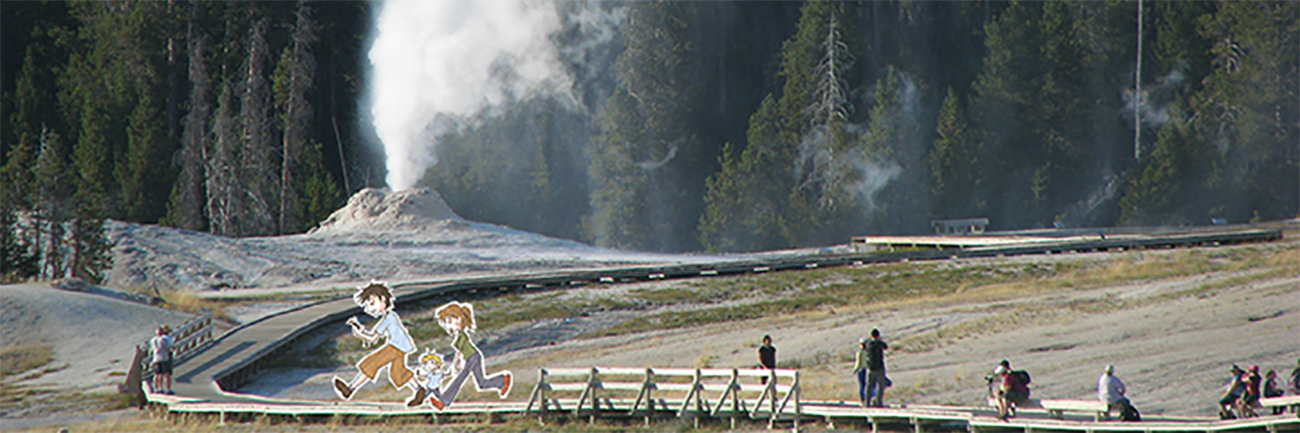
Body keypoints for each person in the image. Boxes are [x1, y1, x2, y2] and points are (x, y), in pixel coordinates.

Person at [333, 282, 421, 405]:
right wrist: (362, 333)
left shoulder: (389, 318)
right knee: (398, 372)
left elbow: (373, 338)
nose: (370, 308)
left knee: (372, 363)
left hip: (397, 346)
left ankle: (350, 389)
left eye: (372, 303)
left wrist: (359, 334)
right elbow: (375, 337)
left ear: (383, 300)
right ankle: (420, 390)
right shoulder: (389, 317)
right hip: (400, 345)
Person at [420, 301, 512, 410]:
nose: (448, 325)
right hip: (474, 357)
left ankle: (443, 402)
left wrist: (456, 364)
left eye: (449, 321)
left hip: (473, 357)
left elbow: (459, 351)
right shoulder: (460, 335)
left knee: (460, 378)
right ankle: (502, 380)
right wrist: (457, 363)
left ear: (458, 320)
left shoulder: (461, 335)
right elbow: (459, 352)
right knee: (481, 383)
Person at [865, 329, 889, 407]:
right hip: (879, 367)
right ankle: (879, 402)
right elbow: (886, 347)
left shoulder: (869, 343)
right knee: (880, 386)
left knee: (869, 386)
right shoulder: (879, 344)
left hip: (871, 368)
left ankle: (867, 402)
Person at [149, 325, 175, 394]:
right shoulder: (163, 339)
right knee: (167, 374)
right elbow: (168, 347)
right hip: (164, 357)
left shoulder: (153, 340)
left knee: (157, 374)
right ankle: (168, 389)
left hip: (156, 358)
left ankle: (157, 388)